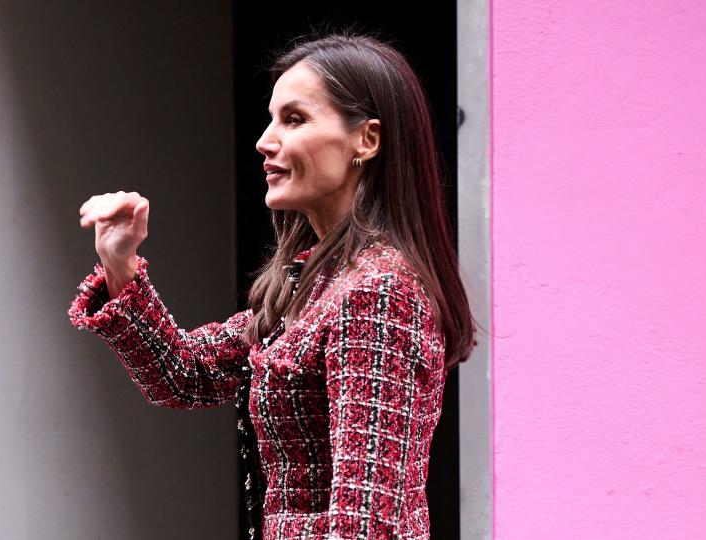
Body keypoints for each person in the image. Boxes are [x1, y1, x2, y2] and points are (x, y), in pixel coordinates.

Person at [68, 31, 477, 540]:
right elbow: (185, 376)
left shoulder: (378, 293)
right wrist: (118, 261)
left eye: (295, 118)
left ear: (366, 140)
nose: (265, 140)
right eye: (271, 118)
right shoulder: (316, 283)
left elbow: (366, 525)